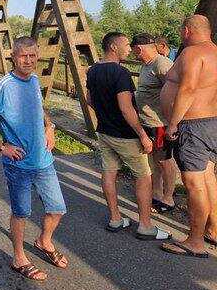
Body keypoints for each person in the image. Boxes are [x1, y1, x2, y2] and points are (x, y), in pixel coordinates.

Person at [0, 36, 67, 281]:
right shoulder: (4, 85)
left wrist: (50, 126)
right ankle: (19, 257)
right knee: (21, 213)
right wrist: (1, 146)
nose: (28, 60)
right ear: (13, 56)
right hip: (19, 164)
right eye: (23, 56)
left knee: (57, 209)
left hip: (43, 160)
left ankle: (44, 241)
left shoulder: (34, 80)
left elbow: (38, 106)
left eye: (33, 55)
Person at [86, 32, 170, 240]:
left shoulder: (93, 70)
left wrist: (105, 113)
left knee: (109, 172)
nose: (129, 48)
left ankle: (115, 219)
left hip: (104, 132)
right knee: (143, 176)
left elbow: (89, 99)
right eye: (125, 45)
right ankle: (145, 226)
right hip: (125, 134)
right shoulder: (120, 73)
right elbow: (126, 108)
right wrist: (142, 133)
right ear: (113, 47)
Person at [160, 15, 217, 258]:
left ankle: (195, 241)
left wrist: (173, 123)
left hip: (193, 125)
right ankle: (213, 231)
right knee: (207, 178)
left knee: (193, 184)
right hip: (211, 123)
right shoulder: (214, 52)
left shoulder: (193, 53)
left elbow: (188, 88)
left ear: (186, 31)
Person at [130, 33, 179, 213]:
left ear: (139, 48)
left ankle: (169, 197)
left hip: (160, 123)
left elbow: (175, 91)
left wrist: (172, 121)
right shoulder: (146, 65)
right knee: (155, 161)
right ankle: (157, 194)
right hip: (148, 122)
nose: (134, 55)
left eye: (135, 51)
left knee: (165, 160)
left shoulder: (162, 64)